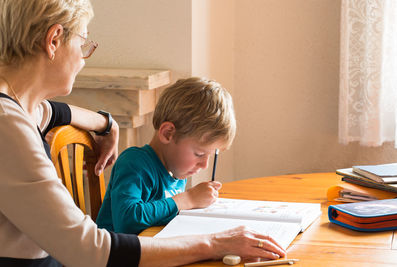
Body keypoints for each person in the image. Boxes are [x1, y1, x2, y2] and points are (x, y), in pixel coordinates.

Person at [0, 0, 286, 266]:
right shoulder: (7, 125)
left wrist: (106, 124)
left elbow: (54, 112)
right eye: (83, 43)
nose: (84, 58)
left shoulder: (21, 104)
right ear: (54, 41)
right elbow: (88, 248)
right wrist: (214, 243)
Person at [96, 77, 233, 234]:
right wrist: (187, 199)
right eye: (199, 154)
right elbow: (127, 220)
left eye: (210, 155)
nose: (204, 165)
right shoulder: (134, 163)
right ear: (168, 133)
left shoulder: (175, 172)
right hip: (117, 256)